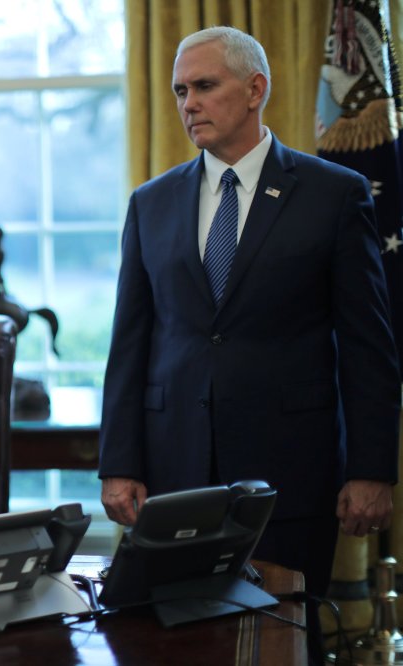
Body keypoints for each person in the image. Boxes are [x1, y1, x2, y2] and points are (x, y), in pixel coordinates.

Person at [98, 26, 399, 661]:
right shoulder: (150, 203)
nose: (188, 104)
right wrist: (118, 462)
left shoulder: (333, 193)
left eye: (204, 86)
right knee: (174, 645)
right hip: (175, 468)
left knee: (282, 643)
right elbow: (130, 342)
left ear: (255, 89)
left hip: (289, 469)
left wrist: (371, 470)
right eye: (180, 91)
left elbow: (368, 344)